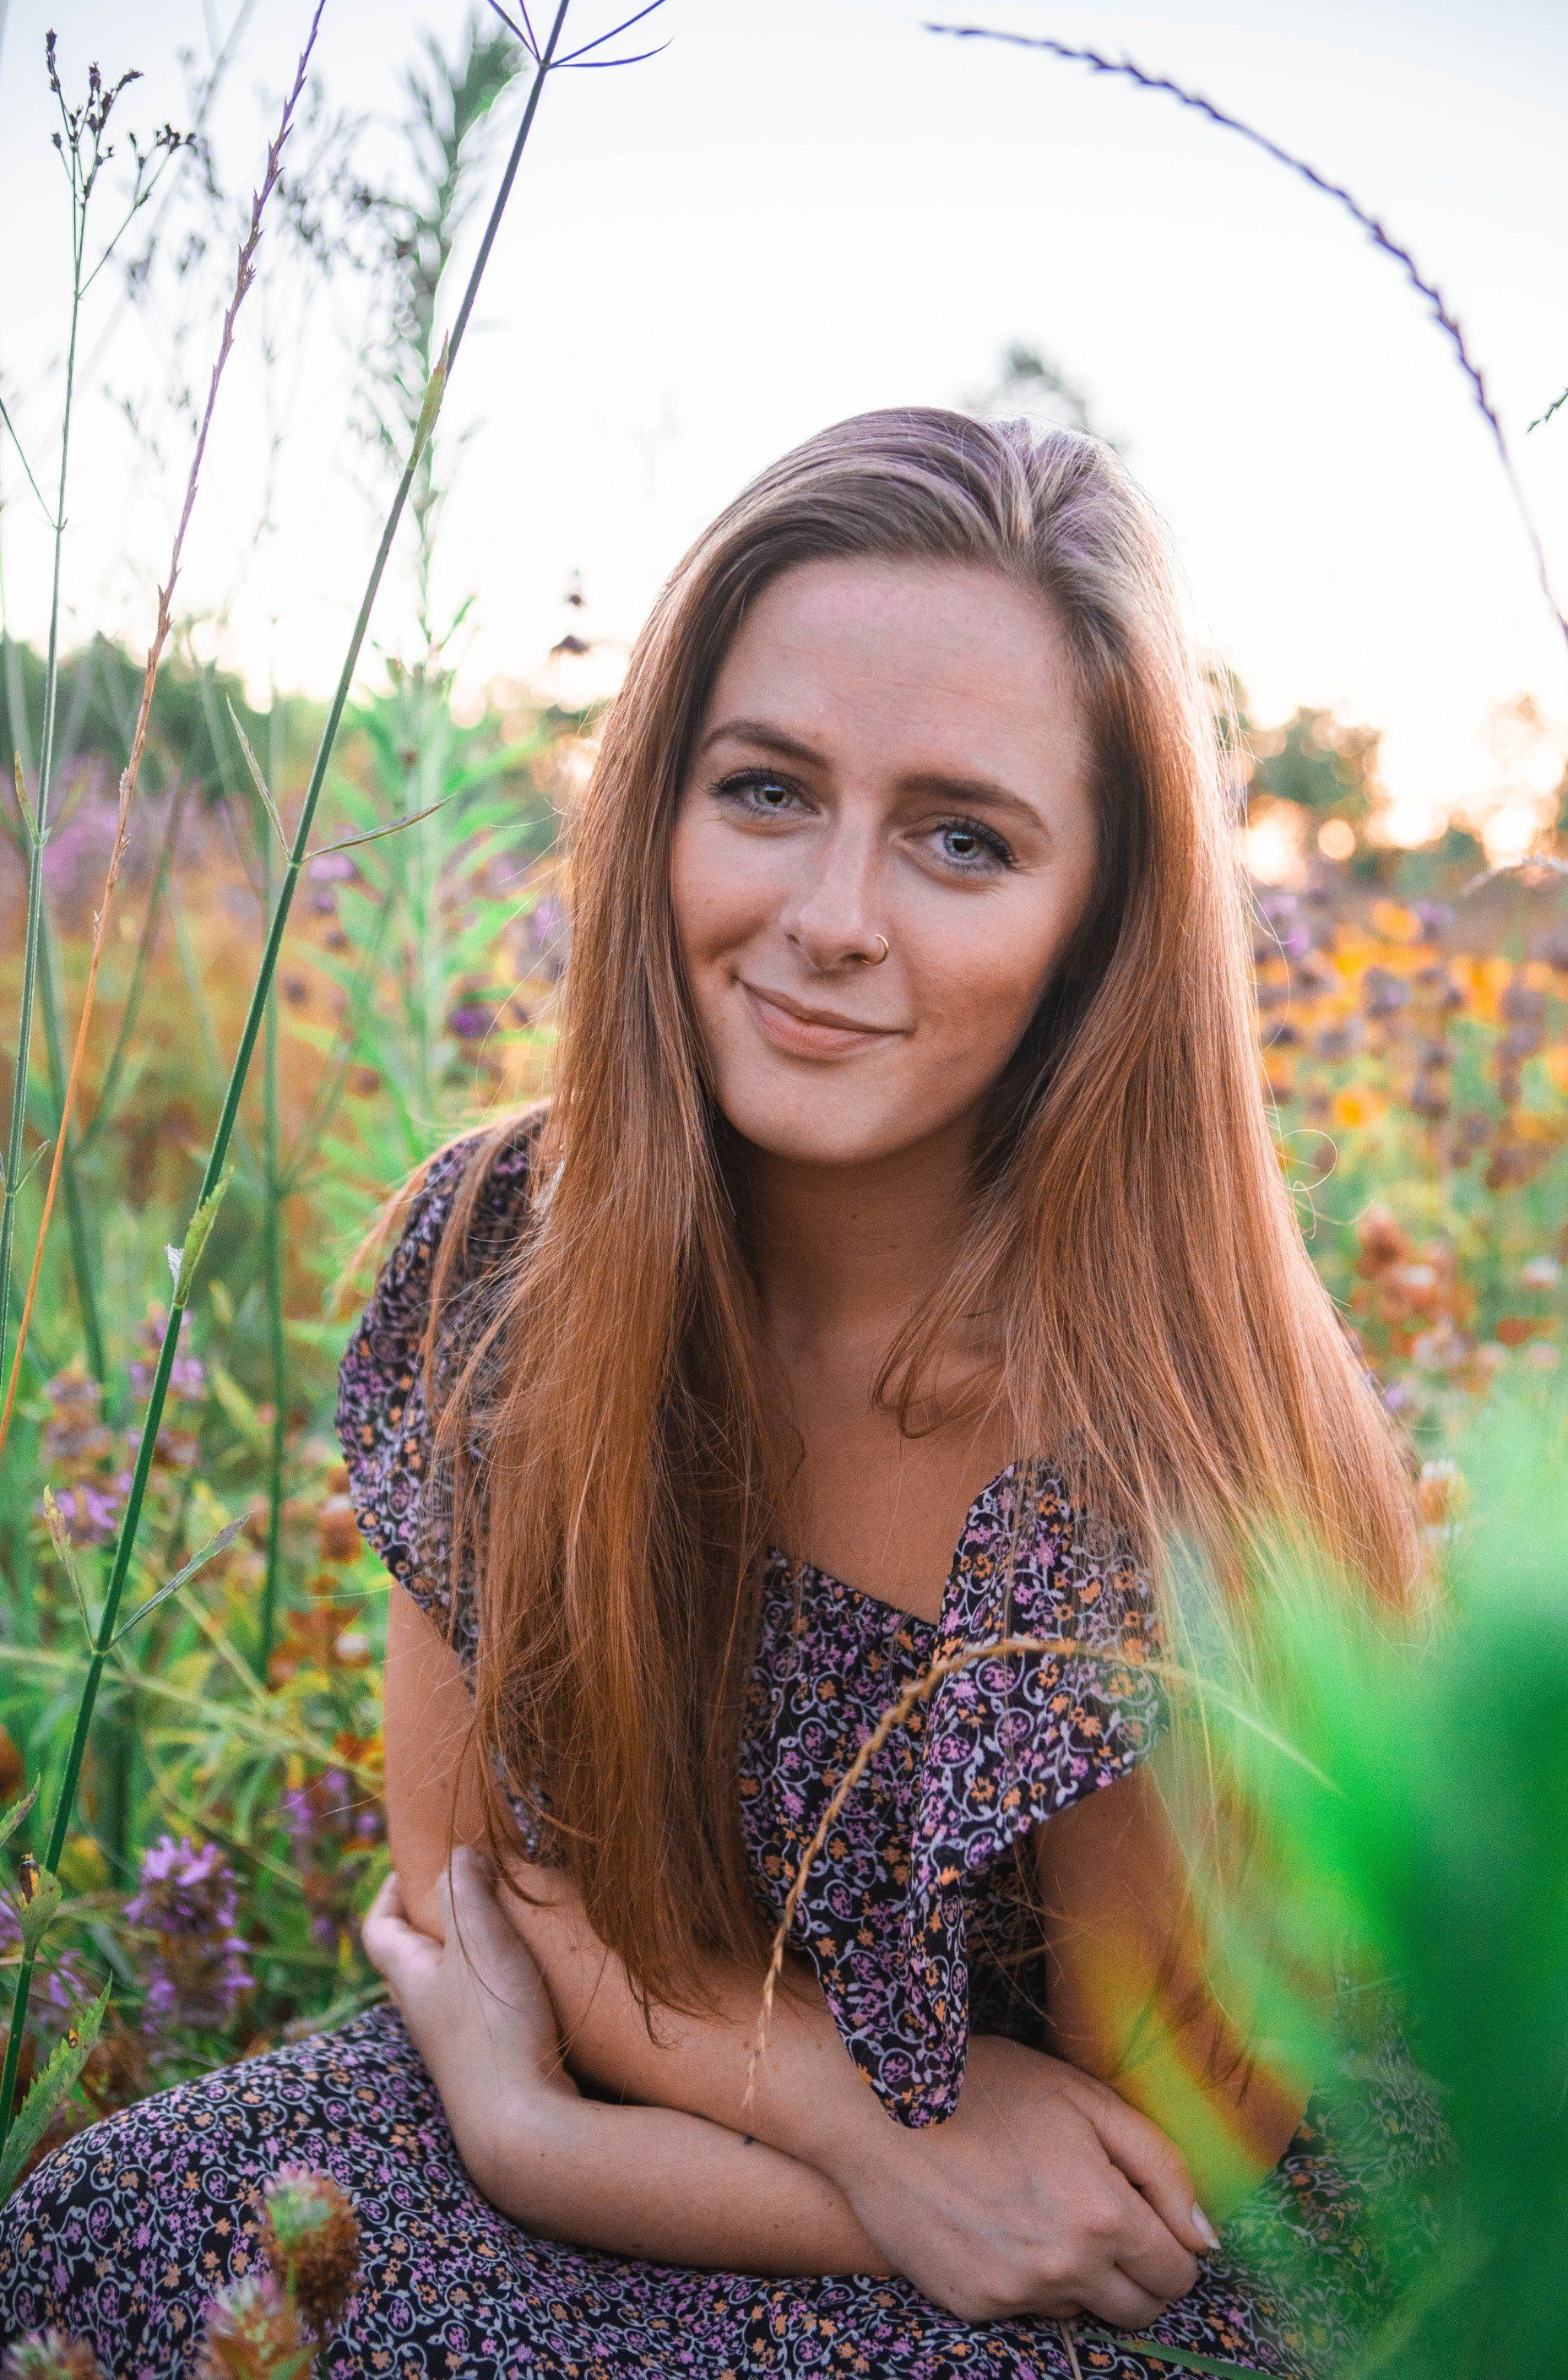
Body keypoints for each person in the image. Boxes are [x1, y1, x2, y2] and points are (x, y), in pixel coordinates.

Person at [0, 410, 1437, 2378]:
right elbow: (476, 1912)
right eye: (766, 790)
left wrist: (563, 2130)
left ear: (1101, 924)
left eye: (963, 839)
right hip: (665, 2111)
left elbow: (1151, 2191)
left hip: (1125, 2277)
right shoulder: (507, 1256)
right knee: (115, 2227)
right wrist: (704, 2134)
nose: (833, 914)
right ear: (657, 812)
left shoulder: (1160, 1425)